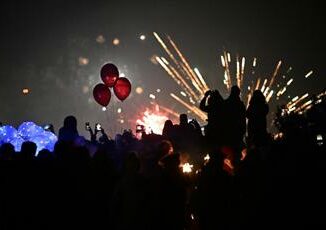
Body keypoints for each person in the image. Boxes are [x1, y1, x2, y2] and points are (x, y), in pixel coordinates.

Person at [224, 86, 246, 168]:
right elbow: (243, 118)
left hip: (229, 132)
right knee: (236, 151)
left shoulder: (226, 103)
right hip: (237, 132)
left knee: (230, 151)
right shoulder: (240, 105)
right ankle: (237, 169)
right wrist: (243, 129)